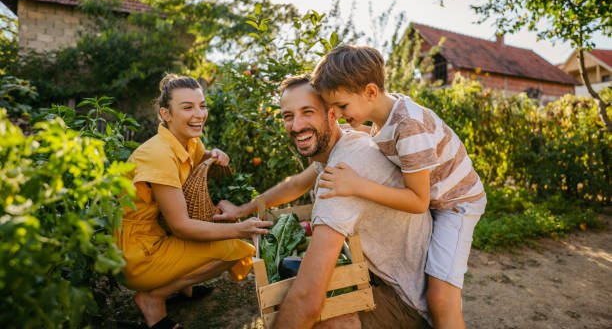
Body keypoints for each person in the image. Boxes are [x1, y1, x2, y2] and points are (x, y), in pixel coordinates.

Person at [215, 75, 433, 328]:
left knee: (307, 314)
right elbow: (295, 184)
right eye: (288, 116)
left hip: (404, 301)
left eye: (308, 112)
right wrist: (241, 210)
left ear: (332, 113)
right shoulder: (340, 144)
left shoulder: (340, 175)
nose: (296, 125)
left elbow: (307, 300)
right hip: (395, 278)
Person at [310, 45, 487, 329]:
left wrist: (357, 185)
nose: (340, 115)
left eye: (342, 106)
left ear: (370, 92)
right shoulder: (383, 119)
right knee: (433, 283)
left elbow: (418, 201)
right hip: (437, 199)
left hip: (457, 203)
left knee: (441, 297)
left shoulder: (408, 125)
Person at [116, 74, 272, 329]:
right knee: (236, 248)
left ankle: (184, 287)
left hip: (157, 234)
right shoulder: (157, 155)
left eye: (202, 105)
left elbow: (198, 158)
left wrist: (213, 154)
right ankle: (153, 298)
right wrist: (239, 229)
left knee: (213, 237)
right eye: (187, 107)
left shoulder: (188, 141)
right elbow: (181, 226)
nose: (199, 114)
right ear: (166, 114)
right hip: (138, 254)